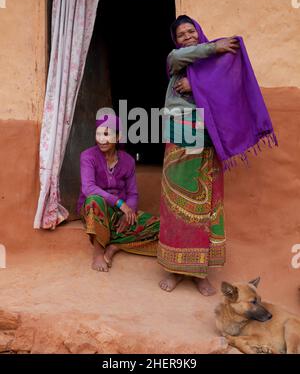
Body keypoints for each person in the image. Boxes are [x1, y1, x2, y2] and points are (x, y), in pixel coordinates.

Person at [158, 15, 239, 295]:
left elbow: (228, 91)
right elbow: (182, 56)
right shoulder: (176, 59)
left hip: (207, 139)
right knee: (175, 203)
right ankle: (173, 268)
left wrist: (199, 87)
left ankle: (200, 273)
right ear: (176, 41)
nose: (188, 37)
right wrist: (215, 47)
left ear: (198, 31)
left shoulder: (213, 68)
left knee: (207, 206)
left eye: (191, 31)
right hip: (179, 135)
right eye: (181, 35)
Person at [78, 113, 160, 272]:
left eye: (107, 134)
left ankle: (116, 245)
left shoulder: (128, 161)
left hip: (119, 213)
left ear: (118, 137)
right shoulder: (87, 156)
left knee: (160, 226)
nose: (101, 139)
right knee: (94, 200)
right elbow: (88, 188)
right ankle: (98, 253)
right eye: (98, 134)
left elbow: (133, 193)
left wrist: (127, 212)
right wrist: (120, 203)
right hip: (94, 210)